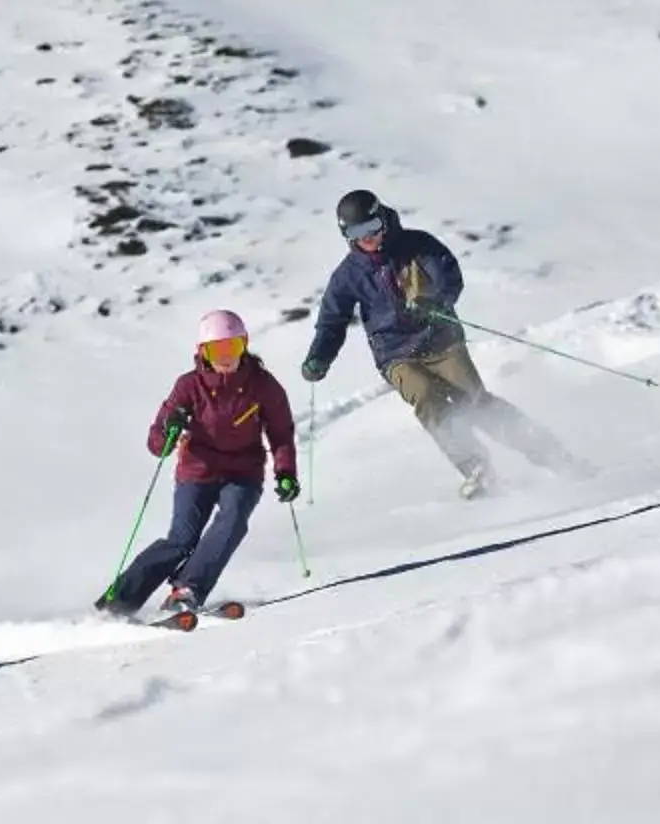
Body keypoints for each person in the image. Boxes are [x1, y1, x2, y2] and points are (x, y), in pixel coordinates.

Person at [298, 189, 582, 497]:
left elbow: (449, 276)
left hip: (440, 340)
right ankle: (477, 470)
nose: (367, 238)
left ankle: (555, 455)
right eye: (356, 232)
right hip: (395, 354)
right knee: (426, 397)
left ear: (383, 219)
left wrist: (434, 301)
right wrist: (319, 357)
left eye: (371, 227)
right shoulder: (348, 275)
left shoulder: (417, 245)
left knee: (474, 401)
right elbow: (331, 322)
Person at [99, 310, 298, 620]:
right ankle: (120, 601)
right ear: (202, 353)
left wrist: (285, 472)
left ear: (244, 345)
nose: (226, 357)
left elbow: (281, 432)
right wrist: (171, 429)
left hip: (242, 472)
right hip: (198, 470)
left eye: (233, 347)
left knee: (232, 522)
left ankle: (187, 590)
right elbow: (156, 443)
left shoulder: (263, 385)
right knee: (181, 540)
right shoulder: (189, 386)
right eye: (217, 350)